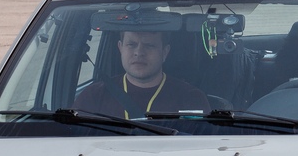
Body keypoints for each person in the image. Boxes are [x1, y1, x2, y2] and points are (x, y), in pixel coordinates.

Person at [73, 29, 209, 117]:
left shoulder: (191, 99)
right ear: (120, 48)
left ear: (165, 52)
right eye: (131, 44)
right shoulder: (93, 97)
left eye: (149, 45)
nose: (139, 52)